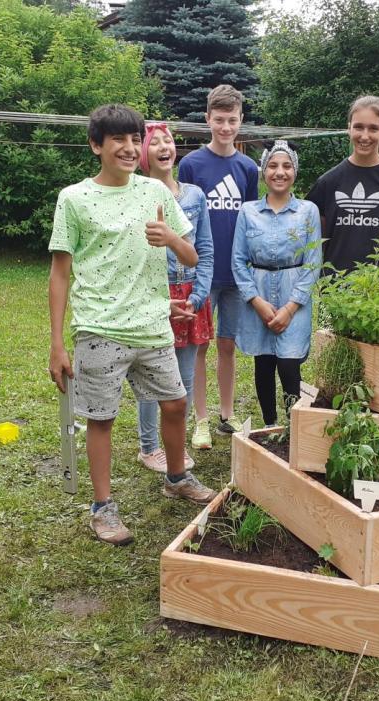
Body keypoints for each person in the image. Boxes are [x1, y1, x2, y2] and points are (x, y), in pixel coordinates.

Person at [48, 104, 216, 546]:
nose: (127, 147)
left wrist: (173, 239)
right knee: (101, 419)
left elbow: (192, 258)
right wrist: (56, 344)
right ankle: (102, 508)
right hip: (99, 328)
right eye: (117, 139)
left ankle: (176, 477)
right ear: (96, 146)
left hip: (152, 324)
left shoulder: (155, 193)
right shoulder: (74, 198)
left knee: (176, 403)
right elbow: (60, 272)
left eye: (133, 138)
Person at [178, 84, 260, 448]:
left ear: (241, 121)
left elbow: (254, 220)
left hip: (237, 272)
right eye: (219, 120)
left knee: (228, 344)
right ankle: (201, 419)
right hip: (202, 274)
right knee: (199, 345)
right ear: (207, 119)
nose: (226, 127)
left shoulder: (248, 168)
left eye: (232, 120)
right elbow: (184, 222)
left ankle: (226, 415)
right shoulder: (192, 164)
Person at [135, 123, 214, 473]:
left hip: (191, 295)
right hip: (156, 296)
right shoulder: (136, 196)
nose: (165, 147)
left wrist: (198, 298)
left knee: (183, 377)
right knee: (153, 376)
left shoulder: (195, 196)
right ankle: (150, 447)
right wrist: (155, 299)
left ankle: (175, 447)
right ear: (143, 154)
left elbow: (205, 250)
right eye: (156, 142)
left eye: (169, 141)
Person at [232, 141, 321, 426]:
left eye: (286, 166)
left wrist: (290, 307)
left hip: (292, 293)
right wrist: (256, 301)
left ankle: (294, 428)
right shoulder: (248, 212)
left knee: (289, 362)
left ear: (295, 171)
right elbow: (238, 260)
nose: (279, 172)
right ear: (263, 170)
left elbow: (312, 262)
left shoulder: (308, 211)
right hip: (258, 294)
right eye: (272, 165)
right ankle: (270, 425)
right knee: (264, 361)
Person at [307, 95, 379, 272]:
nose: (365, 136)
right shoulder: (328, 182)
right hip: (334, 288)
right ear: (348, 128)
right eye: (358, 127)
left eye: (373, 128)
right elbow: (315, 243)